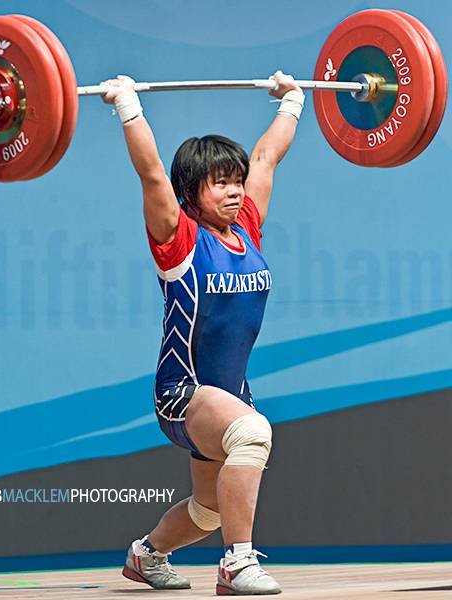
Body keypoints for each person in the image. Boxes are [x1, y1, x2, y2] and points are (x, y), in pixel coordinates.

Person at [101, 70, 304, 595]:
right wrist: (128, 106)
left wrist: (293, 102)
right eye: (221, 182)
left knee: (209, 511)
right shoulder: (178, 238)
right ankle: (236, 565)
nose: (236, 190)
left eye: (235, 180)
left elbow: (266, 158)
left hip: (229, 394)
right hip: (182, 392)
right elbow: (150, 174)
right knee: (254, 434)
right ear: (191, 192)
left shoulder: (246, 227)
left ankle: (146, 555)